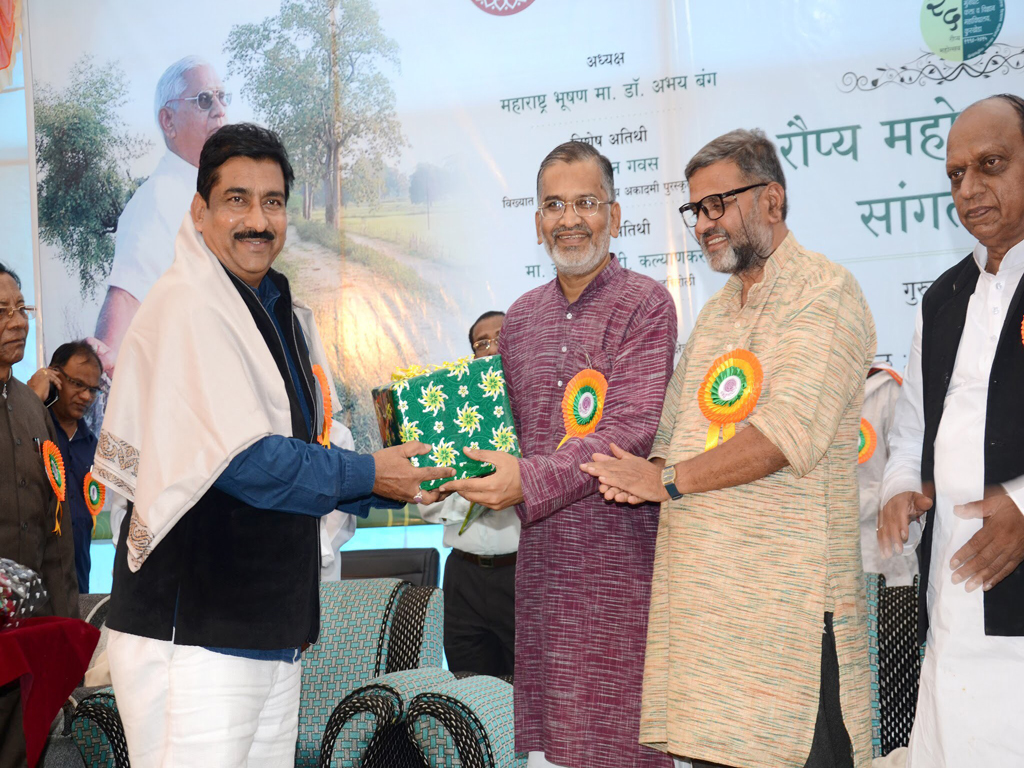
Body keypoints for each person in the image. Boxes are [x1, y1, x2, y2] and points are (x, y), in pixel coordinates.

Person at [97, 123, 451, 767]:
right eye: (237, 199)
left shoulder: (276, 309)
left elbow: (311, 443)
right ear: (199, 211)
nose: (258, 220)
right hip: (195, 635)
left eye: (274, 201)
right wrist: (373, 474)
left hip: (268, 628)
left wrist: (396, 473)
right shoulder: (189, 307)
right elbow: (246, 463)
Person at [580, 129, 874, 768]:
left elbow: (787, 435)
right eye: (695, 210)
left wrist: (670, 480)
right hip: (707, 627)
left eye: (719, 205)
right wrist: (632, 471)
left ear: (773, 199)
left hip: (786, 620)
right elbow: (670, 440)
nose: (704, 224)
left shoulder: (826, 293)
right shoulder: (715, 315)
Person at [444, 141, 677, 768]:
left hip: (620, 567)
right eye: (554, 205)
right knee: (557, 750)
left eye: (585, 203)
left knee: (627, 743)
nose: (569, 219)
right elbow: (506, 437)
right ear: (536, 221)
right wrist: (444, 465)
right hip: (543, 575)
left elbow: (631, 427)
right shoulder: (519, 321)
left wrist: (527, 480)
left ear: (616, 215)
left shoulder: (646, 304)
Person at [878, 94, 1024, 768]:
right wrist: (902, 487)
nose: (969, 190)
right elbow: (912, 430)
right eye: (956, 175)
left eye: (990, 165)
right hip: (956, 592)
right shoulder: (941, 298)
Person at [89, 55, 229, 376]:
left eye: (222, 97)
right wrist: (103, 359)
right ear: (168, 121)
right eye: (204, 100)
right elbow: (127, 294)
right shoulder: (159, 198)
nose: (220, 109)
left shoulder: (207, 191)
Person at [0, 263, 79, 768]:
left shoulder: (32, 409)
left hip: (27, 644)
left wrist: (65, 630)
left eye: (20, 308)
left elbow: (57, 529)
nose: (16, 321)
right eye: (1, 311)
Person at [418, 310, 519, 677]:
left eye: (501, 337)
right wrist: (473, 497)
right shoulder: (450, 417)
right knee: (468, 693)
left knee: (527, 696)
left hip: (522, 573)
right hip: (464, 576)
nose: (491, 348)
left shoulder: (535, 413)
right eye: (482, 343)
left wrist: (511, 491)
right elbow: (427, 505)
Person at [27, 341, 103, 594]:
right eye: (78, 384)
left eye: (93, 390)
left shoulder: (94, 445)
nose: (86, 397)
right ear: (54, 376)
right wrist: (32, 399)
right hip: (31, 574)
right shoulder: (29, 428)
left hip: (76, 577)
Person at [858, 362, 917, 585]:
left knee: (883, 617)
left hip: (880, 556)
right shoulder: (804, 394)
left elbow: (909, 479)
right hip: (817, 557)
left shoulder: (888, 389)